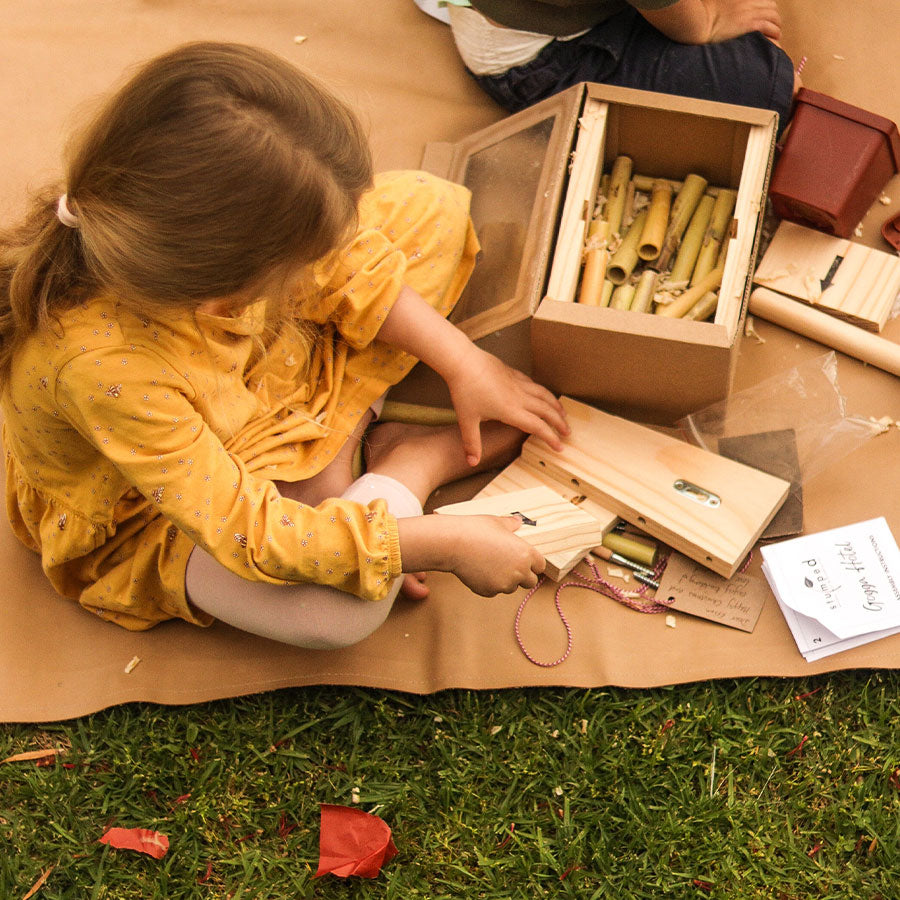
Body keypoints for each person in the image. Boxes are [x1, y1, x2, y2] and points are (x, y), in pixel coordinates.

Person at [0, 42, 569, 649]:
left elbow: (342, 258)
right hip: (155, 509)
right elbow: (247, 531)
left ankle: (335, 455)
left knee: (430, 212)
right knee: (335, 615)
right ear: (224, 280)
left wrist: (465, 361)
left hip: (245, 383)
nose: (319, 264)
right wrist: (440, 544)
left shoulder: (168, 227)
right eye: (296, 262)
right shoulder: (105, 369)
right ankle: (406, 462)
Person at [444, 0, 800, 135]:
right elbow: (692, 29)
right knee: (766, 85)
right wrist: (712, 19)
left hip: (582, 14)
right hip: (545, 58)